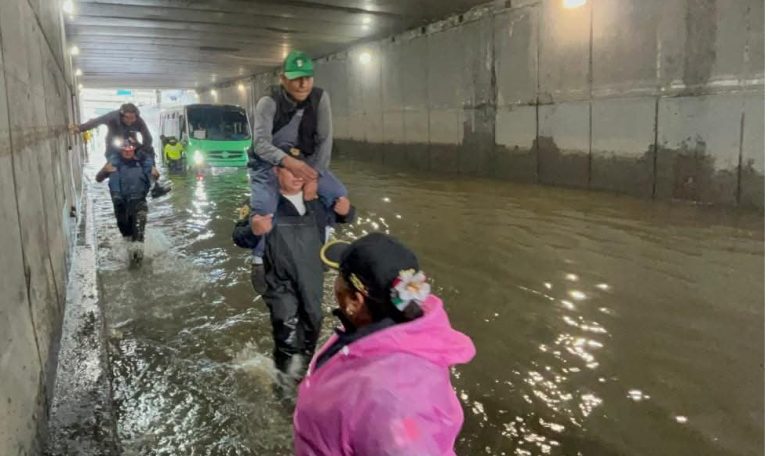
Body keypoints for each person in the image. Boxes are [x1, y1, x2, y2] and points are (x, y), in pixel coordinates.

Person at [294, 233, 476, 455]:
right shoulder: (382, 330)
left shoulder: (394, 402)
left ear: (355, 300)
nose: (335, 283)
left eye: (339, 276)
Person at [232, 166, 355, 380]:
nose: (299, 177)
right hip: (275, 275)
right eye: (292, 171)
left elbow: (345, 216)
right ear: (276, 171)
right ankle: (284, 388)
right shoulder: (263, 202)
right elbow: (239, 236)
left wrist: (348, 211)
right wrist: (253, 230)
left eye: (303, 172)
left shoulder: (318, 201)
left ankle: (303, 375)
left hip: (310, 274)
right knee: (286, 326)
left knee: (313, 320)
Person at [248, 50, 348, 294]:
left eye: (307, 77)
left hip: (305, 161)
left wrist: (312, 176)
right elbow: (260, 144)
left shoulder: (320, 98)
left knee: (337, 192)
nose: (303, 83)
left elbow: (325, 141)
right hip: (268, 161)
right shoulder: (268, 103)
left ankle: (324, 240)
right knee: (265, 206)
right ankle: (259, 259)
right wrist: (286, 163)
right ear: (283, 79)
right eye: (296, 78)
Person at [95, 135, 152, 265]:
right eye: (125, 150)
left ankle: (137, 263)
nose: (127, 152)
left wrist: (155, 175)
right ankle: (130, 257)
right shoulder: (113, 163)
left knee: (138, 235)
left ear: (134, 150)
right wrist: (104, 171)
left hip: (139, 203)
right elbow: (98, 179)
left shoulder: (143, 162)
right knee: (126, 233)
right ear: (121, 151)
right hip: (121, 205)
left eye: (130, 150)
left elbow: (154, 177)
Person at [71, 103, 160, 180]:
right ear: (121, 116)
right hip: (114, 144)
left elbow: (148, 138)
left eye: (132, 118)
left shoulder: (138, 121)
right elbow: (96, 121)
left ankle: (154, 182)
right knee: (113, 161)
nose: (130, 120)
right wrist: (80, 128)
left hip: (132, 143)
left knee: (149, 152)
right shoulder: (112, 117)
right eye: (127, 118)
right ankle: (104, 173)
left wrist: (143, 153)